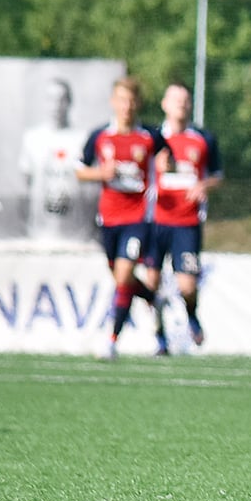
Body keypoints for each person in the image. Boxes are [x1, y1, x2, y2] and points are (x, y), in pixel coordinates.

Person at [76, 77, 168, 360]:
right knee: (120, 277)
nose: (126, 106)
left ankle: (111, 339)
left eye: (131, 101)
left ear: (137, 103)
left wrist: (166, 166)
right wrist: (101, 174)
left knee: (124, 275)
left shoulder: (149, 136)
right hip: (109, 218)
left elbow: (168, 156)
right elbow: (80, 170)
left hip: (139, 217)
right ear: (113, 102)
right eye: (121, 100)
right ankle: (154, 299)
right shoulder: (100, 136)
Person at [145, 83, 222, 347]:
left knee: (187, 286)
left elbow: (216, 176)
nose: (181, 104)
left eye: (186, 100)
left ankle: (191, 314)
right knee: (151, 283)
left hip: (187, 223)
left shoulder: (203, 139)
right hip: (155, 221)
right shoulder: (151, 138)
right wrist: (154, 164)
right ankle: (159, 336)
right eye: (176, 99)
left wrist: (204, 185)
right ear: (164, 104)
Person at [19, 76, 94, 244]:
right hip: (39, 234)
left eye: (61, 100)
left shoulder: (82, 138)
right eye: (51, 99)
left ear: (69, 103)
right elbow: (26, 182)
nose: (56, 106)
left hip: (76, 235)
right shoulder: (32, 138)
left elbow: (91, 184)